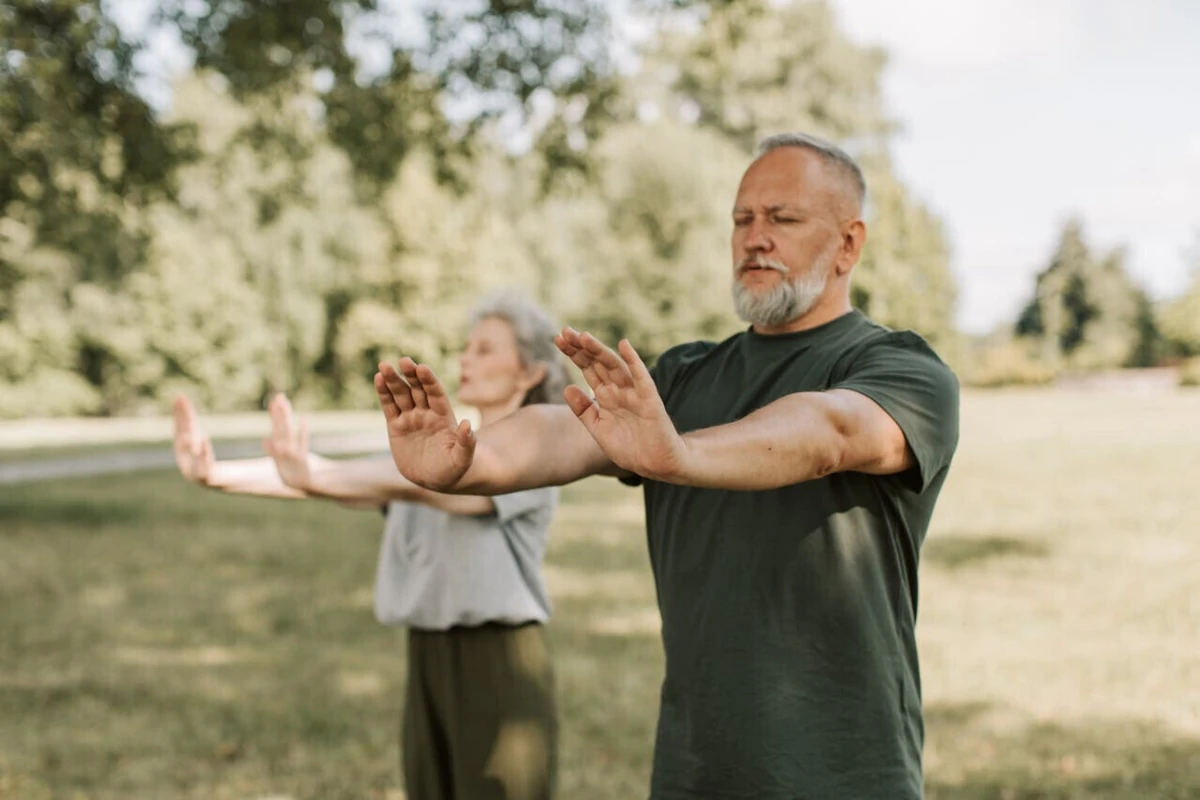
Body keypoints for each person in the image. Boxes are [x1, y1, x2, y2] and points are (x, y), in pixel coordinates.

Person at [373, 133, 961, 799]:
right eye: (743, 219)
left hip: (845, 775)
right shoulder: (686, 377)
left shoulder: (903, 370)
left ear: (849, 245)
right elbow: (567, 430)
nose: (754, 238)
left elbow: (830, 431)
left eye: (783, 218)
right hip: (695, 771)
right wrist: (466, 465)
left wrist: (682, 456)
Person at [173, 291, 571, 800]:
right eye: (466, 346)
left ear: (530, 372)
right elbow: (354, 479)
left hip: (498, 658)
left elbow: (424, 485)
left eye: (487, 349)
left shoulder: (539, 450)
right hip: (426, 650)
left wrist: (315, 472)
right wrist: (213, 474)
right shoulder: (426, 452)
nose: (466, 358)